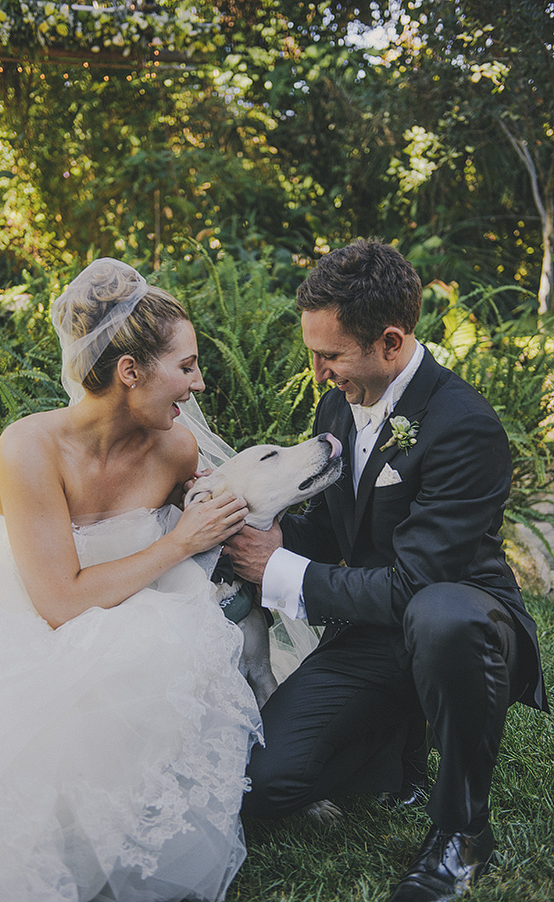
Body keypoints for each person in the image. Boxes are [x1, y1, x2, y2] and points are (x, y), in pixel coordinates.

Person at [225, 239, 549, 902]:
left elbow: (414, 582)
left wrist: (278, 569)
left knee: (439, 617)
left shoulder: (465, 427)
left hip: (464, 622)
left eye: (330, 356)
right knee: (263, 781)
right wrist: (253, 530)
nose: (318, 372)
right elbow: (334, 528)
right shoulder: (339, 404)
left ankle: (462, 831)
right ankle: (393, 742)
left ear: (392, 342)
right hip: (374, 631)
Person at [0, 258, 263, 902]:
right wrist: (182, 540)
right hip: (25, 621)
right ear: (129, 372)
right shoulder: (29, 449)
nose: (199, 384)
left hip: (134, 612)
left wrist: (239, 521)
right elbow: (59, 602)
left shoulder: (177, 448)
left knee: (166, 642)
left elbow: (229, 518)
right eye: (186, 366)